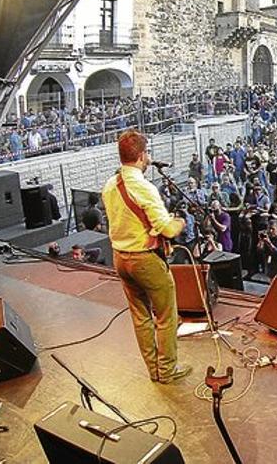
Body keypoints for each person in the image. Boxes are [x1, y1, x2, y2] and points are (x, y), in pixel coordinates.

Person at [101, 129, 190, 384]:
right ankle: (167, 370)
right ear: (142, 156)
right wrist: (180, 222)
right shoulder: (144, 187)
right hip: (145, 259)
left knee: (140, 316)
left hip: (120, 258)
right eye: (147, 153)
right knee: (165, 315)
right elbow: (167, 229)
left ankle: (153, 370)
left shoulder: (110, 185)